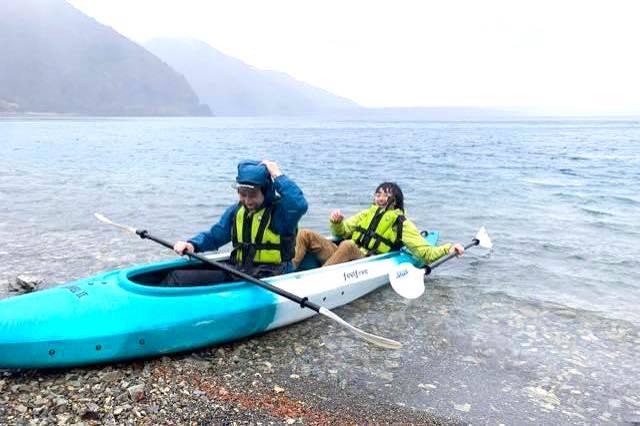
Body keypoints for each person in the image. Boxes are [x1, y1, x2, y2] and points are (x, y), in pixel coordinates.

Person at [163, 160, 308, 286]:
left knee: (178, 279)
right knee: (176, 276)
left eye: (253, 195)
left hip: (272, 275)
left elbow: (299, 205)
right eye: (243, 195)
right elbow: (215, 236)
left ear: (266, 191)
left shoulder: (280, 213)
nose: (248, 201)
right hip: (241, 270)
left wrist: (277, 174)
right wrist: (192, 244)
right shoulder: (237, 211)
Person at [292, 182, 464, 269]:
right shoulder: (367, 213)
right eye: (378, 194)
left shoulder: (402, 223)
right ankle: (287, 269)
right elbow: (342, 231)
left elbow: (425, 252)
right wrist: (336, 222)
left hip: (365, 260)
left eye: (386, 195)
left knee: (348, 244)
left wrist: (448, 249)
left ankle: (319, 279)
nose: (380, 198)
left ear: (395, 200)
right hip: (342, 254)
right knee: (304, 234)